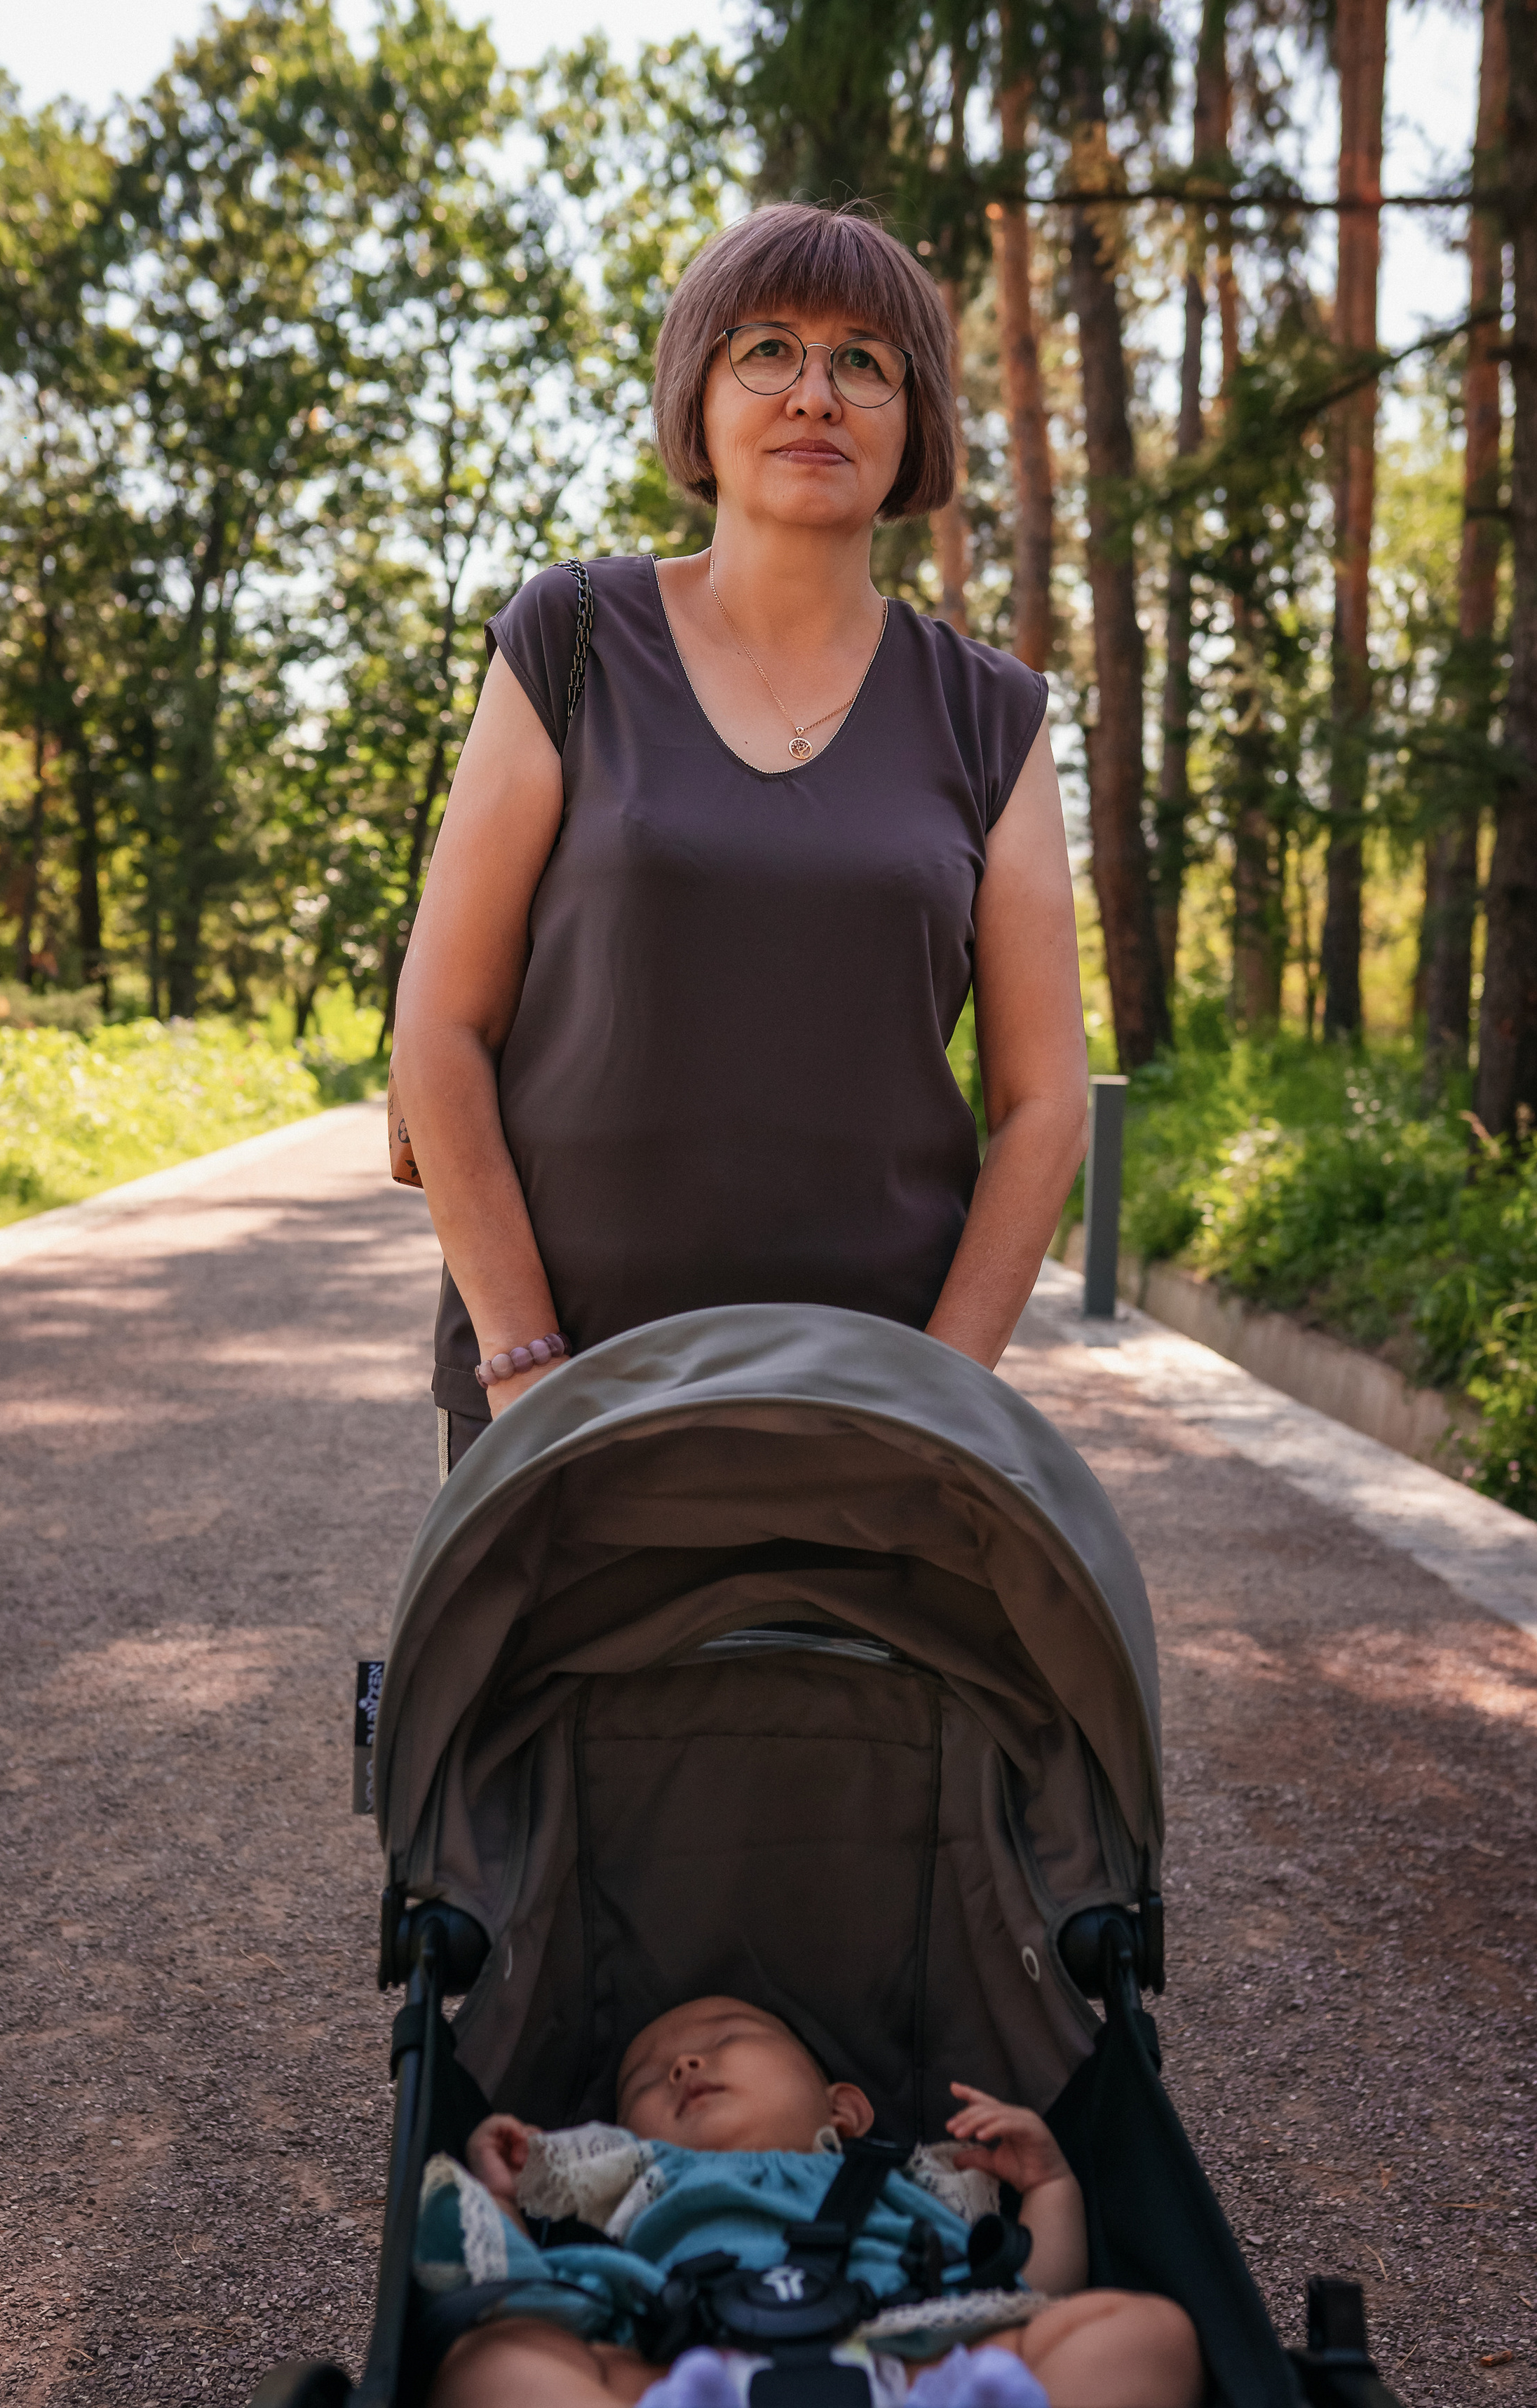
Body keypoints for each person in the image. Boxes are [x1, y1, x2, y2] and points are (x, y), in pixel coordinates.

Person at [389, 204, 1090, 1478]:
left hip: (868, 1403)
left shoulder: (994, 716)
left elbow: (1043, 1103)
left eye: (865, 363)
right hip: (562, 1390)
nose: (815, 394)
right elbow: (440, 1022)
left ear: (915, 420)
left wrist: (937, 1390)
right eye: (767, 349)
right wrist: (520, 1359)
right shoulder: (571, 638)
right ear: (698, 396)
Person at [418, 1997, 1203, 2408]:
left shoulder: (918, 2174)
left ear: (845, 2109)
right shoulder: (639, 2177)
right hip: (682, 2368)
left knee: (1147, 2332)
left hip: (920, 2361)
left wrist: (1052, 2185)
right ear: (620, 2138)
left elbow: (1031, 2286)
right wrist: (498, 2196)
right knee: (489, 2369)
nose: (685, 2064)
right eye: (649, 2080)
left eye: (727, 2038)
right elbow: (518, 2286)